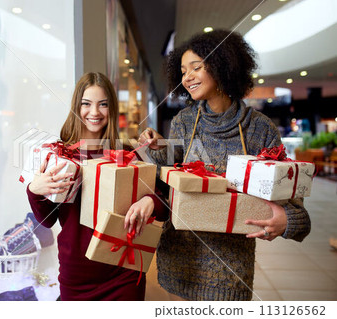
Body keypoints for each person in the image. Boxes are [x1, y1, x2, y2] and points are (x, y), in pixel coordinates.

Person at [138, 30, 311, 301]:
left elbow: (293, 201)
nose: (187, 77)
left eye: (196, 67)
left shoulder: (260, 129)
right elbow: (168, 178)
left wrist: (287, 220)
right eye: (183, 71)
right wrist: (156, 148)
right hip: (181, 255)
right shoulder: (183, 122)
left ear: (222, 67)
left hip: (231, 268)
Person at [26, 72, 167, 300]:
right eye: (86, 104)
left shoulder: (126, 153)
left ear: (111, 109)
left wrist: (149, 200)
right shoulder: (59, 155)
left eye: (103, 104)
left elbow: (164, 206)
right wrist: (35, 190)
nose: (94, 112)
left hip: (124, 270)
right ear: (76, 107)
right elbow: (47, 220)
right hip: (78, 272)